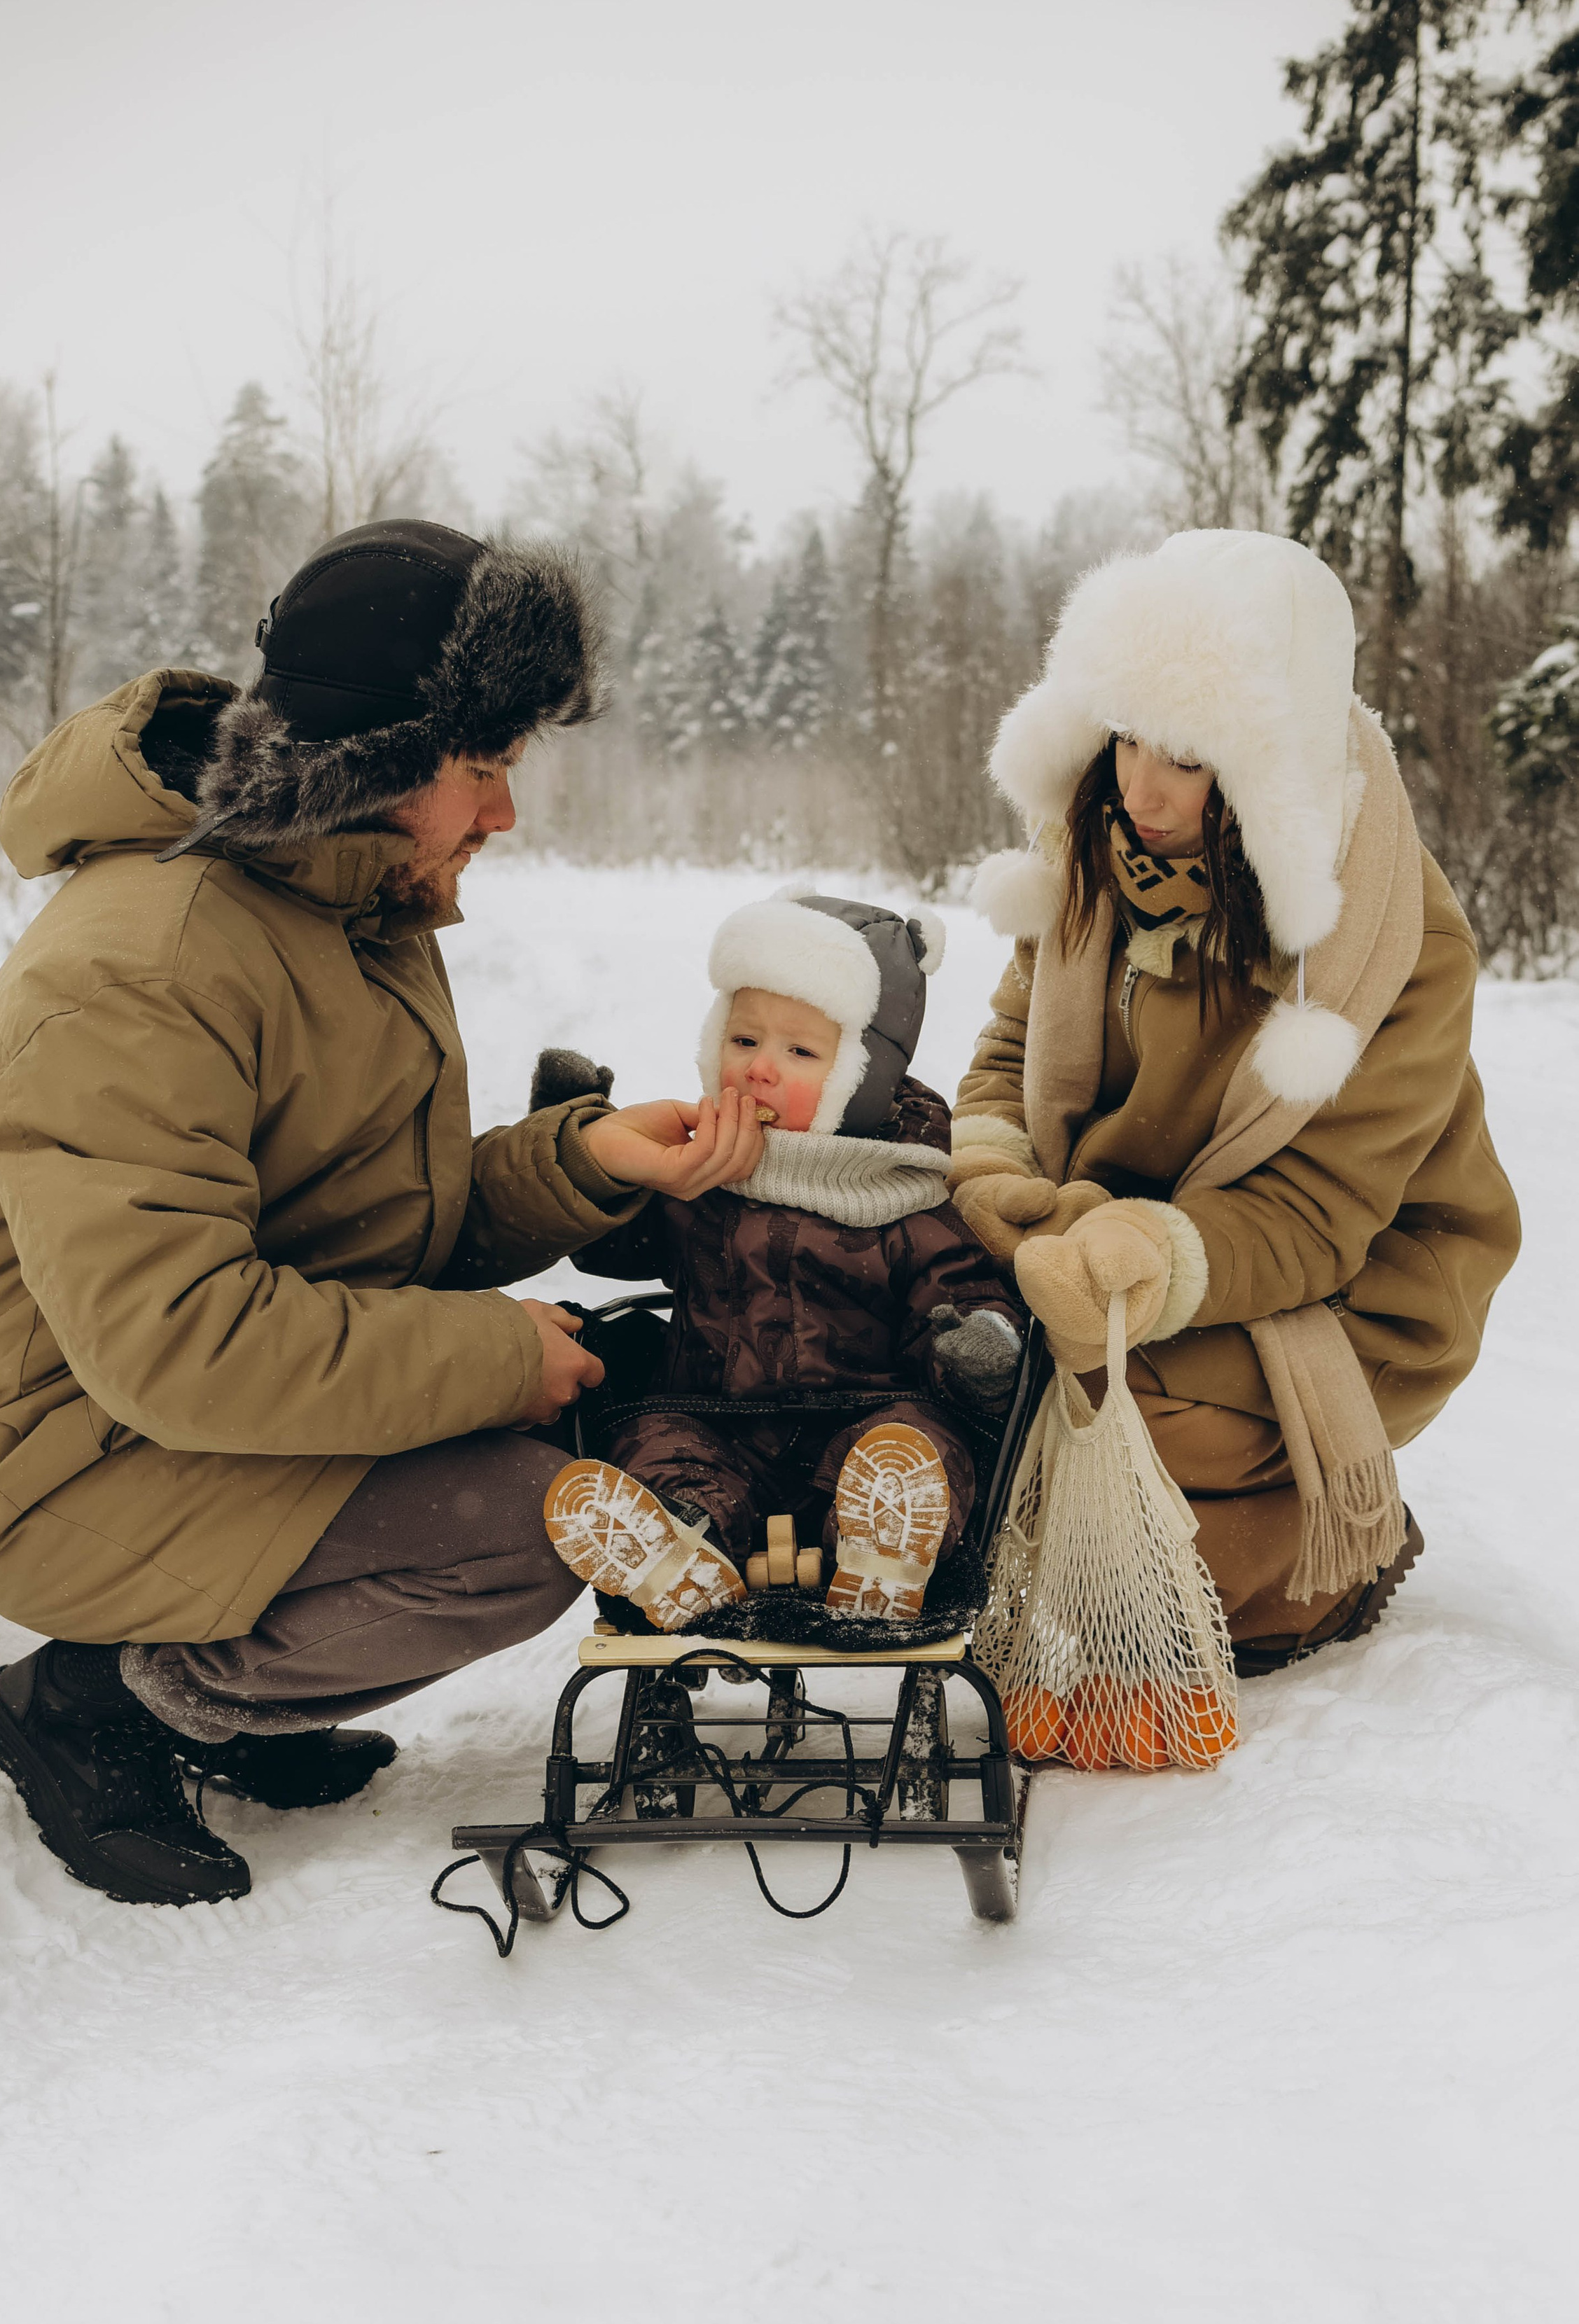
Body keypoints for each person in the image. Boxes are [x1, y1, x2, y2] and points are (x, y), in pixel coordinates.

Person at [0, 519, 765, 1907]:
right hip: (36, 1456)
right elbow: (178, 1342)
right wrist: (499, 1357)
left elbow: (376, 1232)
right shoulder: (144, 962)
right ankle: (103, 1703)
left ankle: (225, 1690)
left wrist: (588, 1161)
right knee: (532, 1524)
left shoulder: (350, 904)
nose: (504, 817)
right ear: (381, 758)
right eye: (486, 770)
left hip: (154, 1412)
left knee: (580, 1411)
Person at [956, 527, 1520, 1678]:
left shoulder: (1394, 938)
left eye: (1191, 754)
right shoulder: (1098, 850)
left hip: (1349, 1289)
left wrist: (1141, 1257)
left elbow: (1320, 1216)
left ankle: (1329, 1545)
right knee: (953, 1364)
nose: (1142, 787)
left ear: (1269, 763)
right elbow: (1009, 1048)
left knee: (1109, 1418)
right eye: (1126, 734)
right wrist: (997, 1179)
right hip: (1106, 1233)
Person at [540, 892, 1025, 1629]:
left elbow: (956, 1290)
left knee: (918, 1440)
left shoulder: (905, 1194)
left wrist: (978, 1344)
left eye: (799, 1052)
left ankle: (881, 1539)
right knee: (654, 1440)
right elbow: (613, 1245)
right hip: (716, 1423)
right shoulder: (697, 1174)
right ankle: (680, 1540)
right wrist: (578, 1147)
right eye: (742, 1041)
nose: (758, 1070)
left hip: (859, 1428)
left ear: (862, 1078)